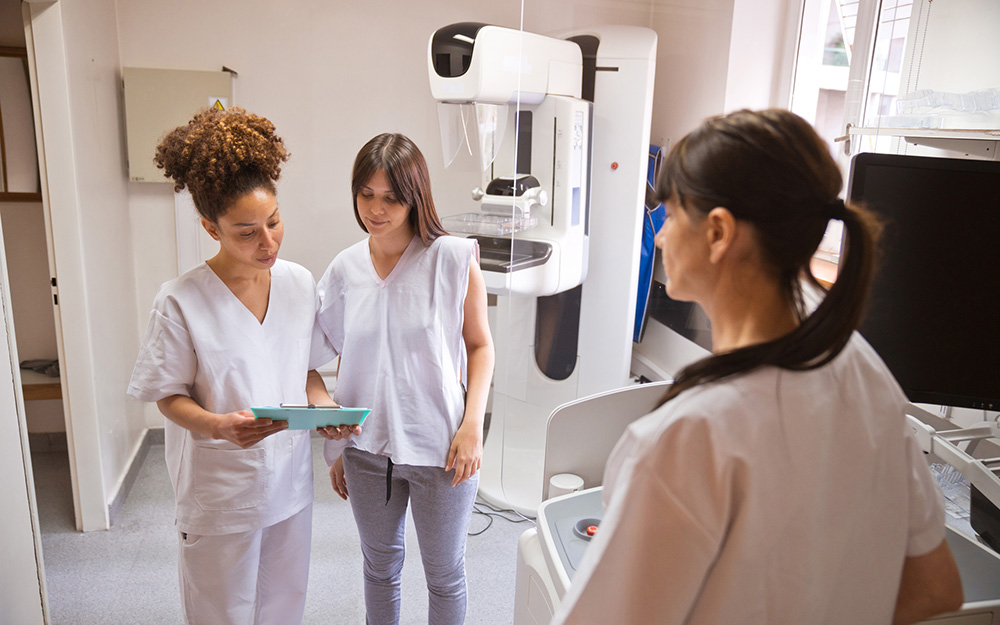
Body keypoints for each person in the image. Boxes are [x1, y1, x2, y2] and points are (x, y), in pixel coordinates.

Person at [551, 109, 964, 625]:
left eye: (674, 216)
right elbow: (935, 589)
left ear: (718, 232)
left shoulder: (685, 439)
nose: (659, 237)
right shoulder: (865, 371)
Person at [127, 107, 350, 625]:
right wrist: (217, 427)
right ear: (211, 228)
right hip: (220, 490)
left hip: (289, 484)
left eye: (273, 223)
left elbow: (307, 368)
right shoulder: (180, 301)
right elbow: (168, 394)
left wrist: (323, 405)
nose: (267, 242)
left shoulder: (297, 282)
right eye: (247, 232)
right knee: (221, 613)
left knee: (283, 606)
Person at [315, 132, 494, 625]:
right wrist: (333, 425)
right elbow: (314, 359)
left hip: (444, 448)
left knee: (444, 576)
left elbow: (480, 346)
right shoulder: (344, 269)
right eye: (366, 194)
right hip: (367, 453)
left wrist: (472, 425)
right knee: (379, 570)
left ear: (415, 197)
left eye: (391, 197)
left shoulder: (453, 259)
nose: (376, 208)